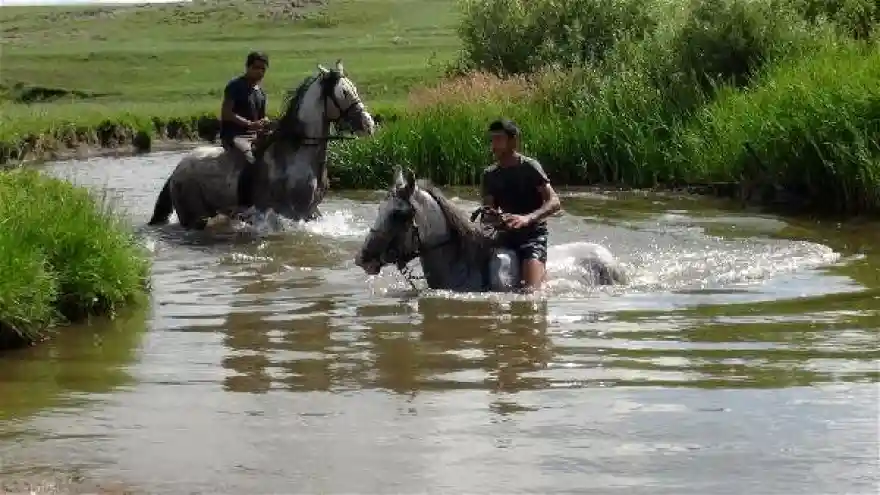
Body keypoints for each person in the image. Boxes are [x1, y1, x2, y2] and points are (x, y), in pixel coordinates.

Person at [480, 119, 562, 291]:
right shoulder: (489, 174)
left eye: (499, 139)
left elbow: (555, 202)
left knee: (530, 292)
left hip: (532, 236)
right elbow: (489, 212)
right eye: (492, 139)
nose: (494, 145)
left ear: (513, 141)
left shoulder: (530, 167)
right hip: (504, 236)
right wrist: (495, 218)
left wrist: (527, 218)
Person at [219, 51, 271, 212]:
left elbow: (261, 118)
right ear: (247, 67)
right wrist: (250, 124)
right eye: (256, 68)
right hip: (235, 135)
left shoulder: (260, 93)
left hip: (253, 136)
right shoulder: (235, 86)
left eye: (263, 69)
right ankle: (243, 205)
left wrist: (265, 122)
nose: (260, 72)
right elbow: (226, 113)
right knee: (250, 160)